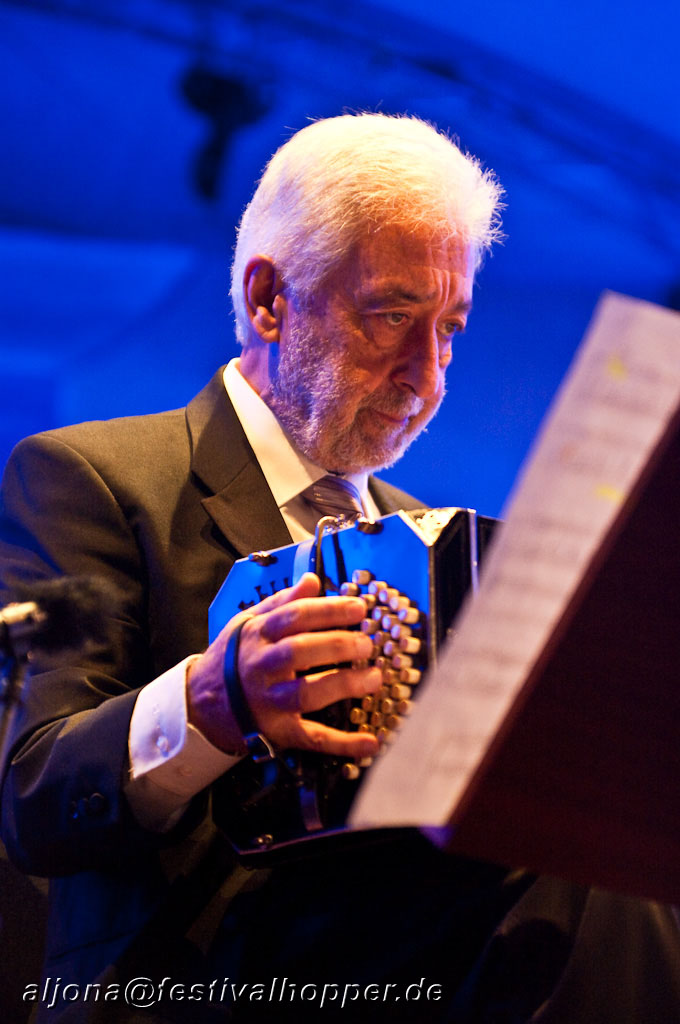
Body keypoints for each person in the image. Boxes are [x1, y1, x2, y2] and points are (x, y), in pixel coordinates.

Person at [1, 113, 679, 1023]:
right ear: (270, 299)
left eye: (449, 329)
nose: (427, 377)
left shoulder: (430, 545)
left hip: (411, 963)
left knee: (613, 855)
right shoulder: (88, 479)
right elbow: (32, 795)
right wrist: (210, 704)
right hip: (197, 980)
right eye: (393, 316)